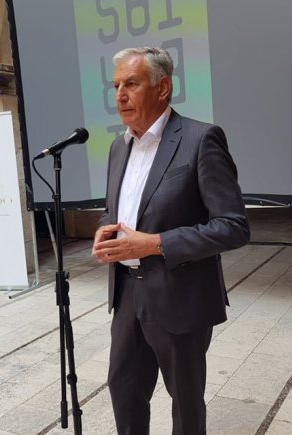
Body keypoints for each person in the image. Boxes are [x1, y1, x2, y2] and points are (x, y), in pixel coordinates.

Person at [91, 47, 250, 434]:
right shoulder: (118, 146)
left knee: (185, 403)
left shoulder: (200, 139)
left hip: (180, 294)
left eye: (131, 84)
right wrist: (105, 228)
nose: (120, 95)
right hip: (127, 293)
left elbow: (233, 226)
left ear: (162, 88)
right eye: (116, 86)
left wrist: (154, 244)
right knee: (124, 390)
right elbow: (120, 209)